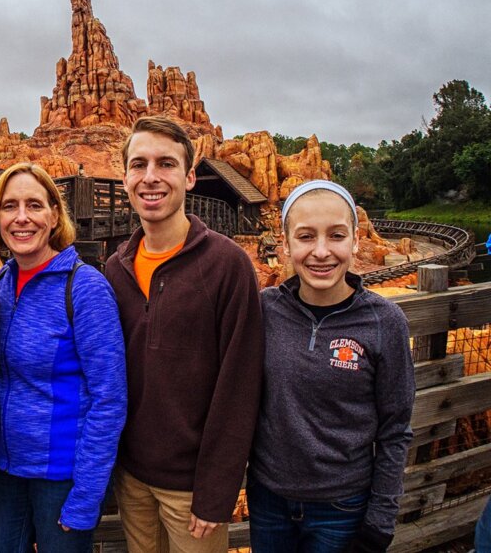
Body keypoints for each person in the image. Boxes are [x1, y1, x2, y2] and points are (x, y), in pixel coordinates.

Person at [104, 116, 264, 553]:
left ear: (189, 176)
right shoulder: (114, 270)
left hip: (192, 488)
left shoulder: (227, 265)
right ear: (125, 177)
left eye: (166, 164)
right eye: (138, 165)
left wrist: (216, 491)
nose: (150, 177)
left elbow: (240, 384)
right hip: (131, 478)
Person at [248, 180, 415, 553]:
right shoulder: (265, 309)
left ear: (355, 240)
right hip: (268, 499)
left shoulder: (383, 322)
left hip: (342, 506)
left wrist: (380, 520)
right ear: (286, 244)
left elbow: (395, 429)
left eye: (336, 236)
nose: (321, 252)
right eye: (306, 237)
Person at [0, 163, 127, 553]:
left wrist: (86, 496)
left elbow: (109, 398)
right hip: (8, 471)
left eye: (35, 205)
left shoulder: (85, 288)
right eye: (10, 206)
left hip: (62, 476)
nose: (22, 217)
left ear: (54, 215)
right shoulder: (3, 283)